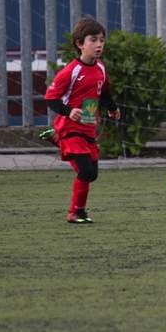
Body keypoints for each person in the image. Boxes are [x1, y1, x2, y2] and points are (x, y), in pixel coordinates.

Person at [44, 17, 121, 224]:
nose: (99, 45)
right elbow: (50, 98)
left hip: (88, 127)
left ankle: (57, 140)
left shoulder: (101, 68)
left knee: (92, 174)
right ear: (80, 44)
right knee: (86, 171)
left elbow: (103, 92)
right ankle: (76, 212)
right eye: (93, 40)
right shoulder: (71, 71)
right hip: (70, 127)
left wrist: (112, 108)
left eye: (102, 40)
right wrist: (68, 111)